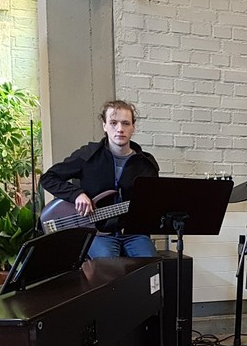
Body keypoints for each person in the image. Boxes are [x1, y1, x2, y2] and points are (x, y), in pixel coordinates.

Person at [40, 100, 160, 258]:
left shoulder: (146, 164)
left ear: (133, 127)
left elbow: (151, 203)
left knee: (150, 265)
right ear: (104, 126)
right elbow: (48, 178)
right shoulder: (88, 155)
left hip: (134, 233)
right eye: (113, 123)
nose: (120, 129)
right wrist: (76, 194)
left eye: (125, 123)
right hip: (97, 232)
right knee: (107, 267)